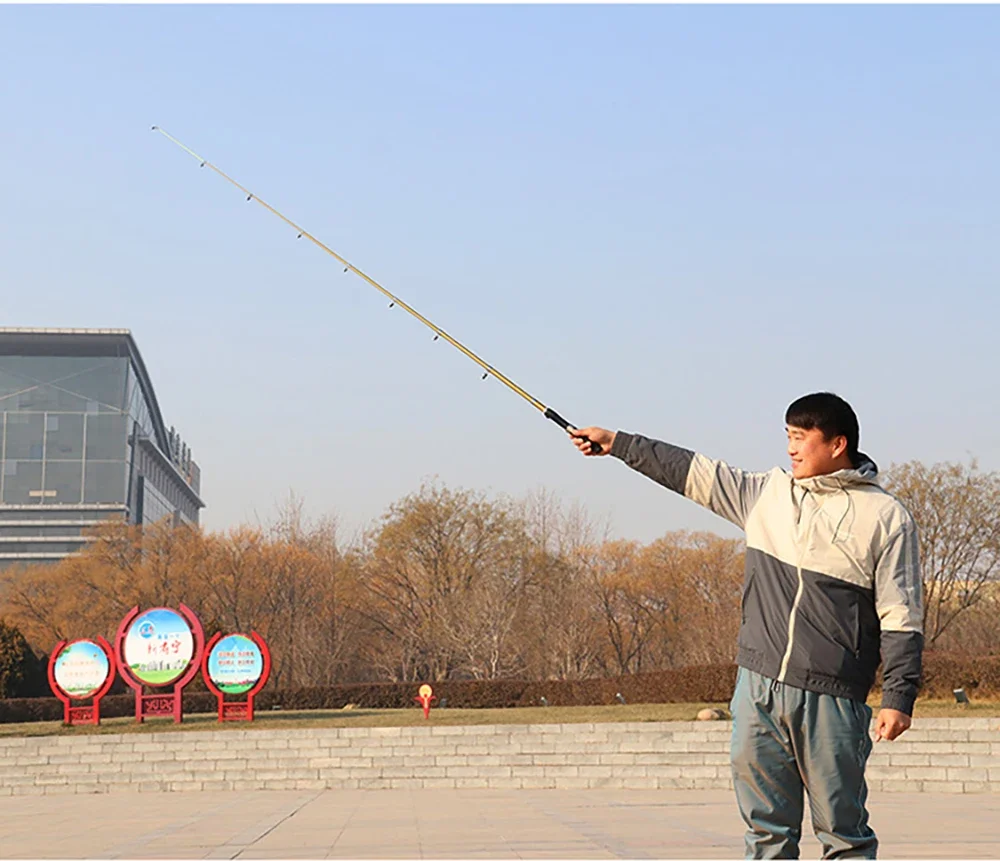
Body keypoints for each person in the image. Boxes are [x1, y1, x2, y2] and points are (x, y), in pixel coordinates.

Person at [570, 392, 923, 860]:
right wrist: (617, 442)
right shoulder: (766, 494)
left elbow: (901, 615)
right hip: (757, 690)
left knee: (844, 835)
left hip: (833, 698)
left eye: (800, 438)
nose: (791, 449)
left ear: (837, 444)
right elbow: (691, 471)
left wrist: (898, 697)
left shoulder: (886, 517)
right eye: (788, 438)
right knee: (766, 835)